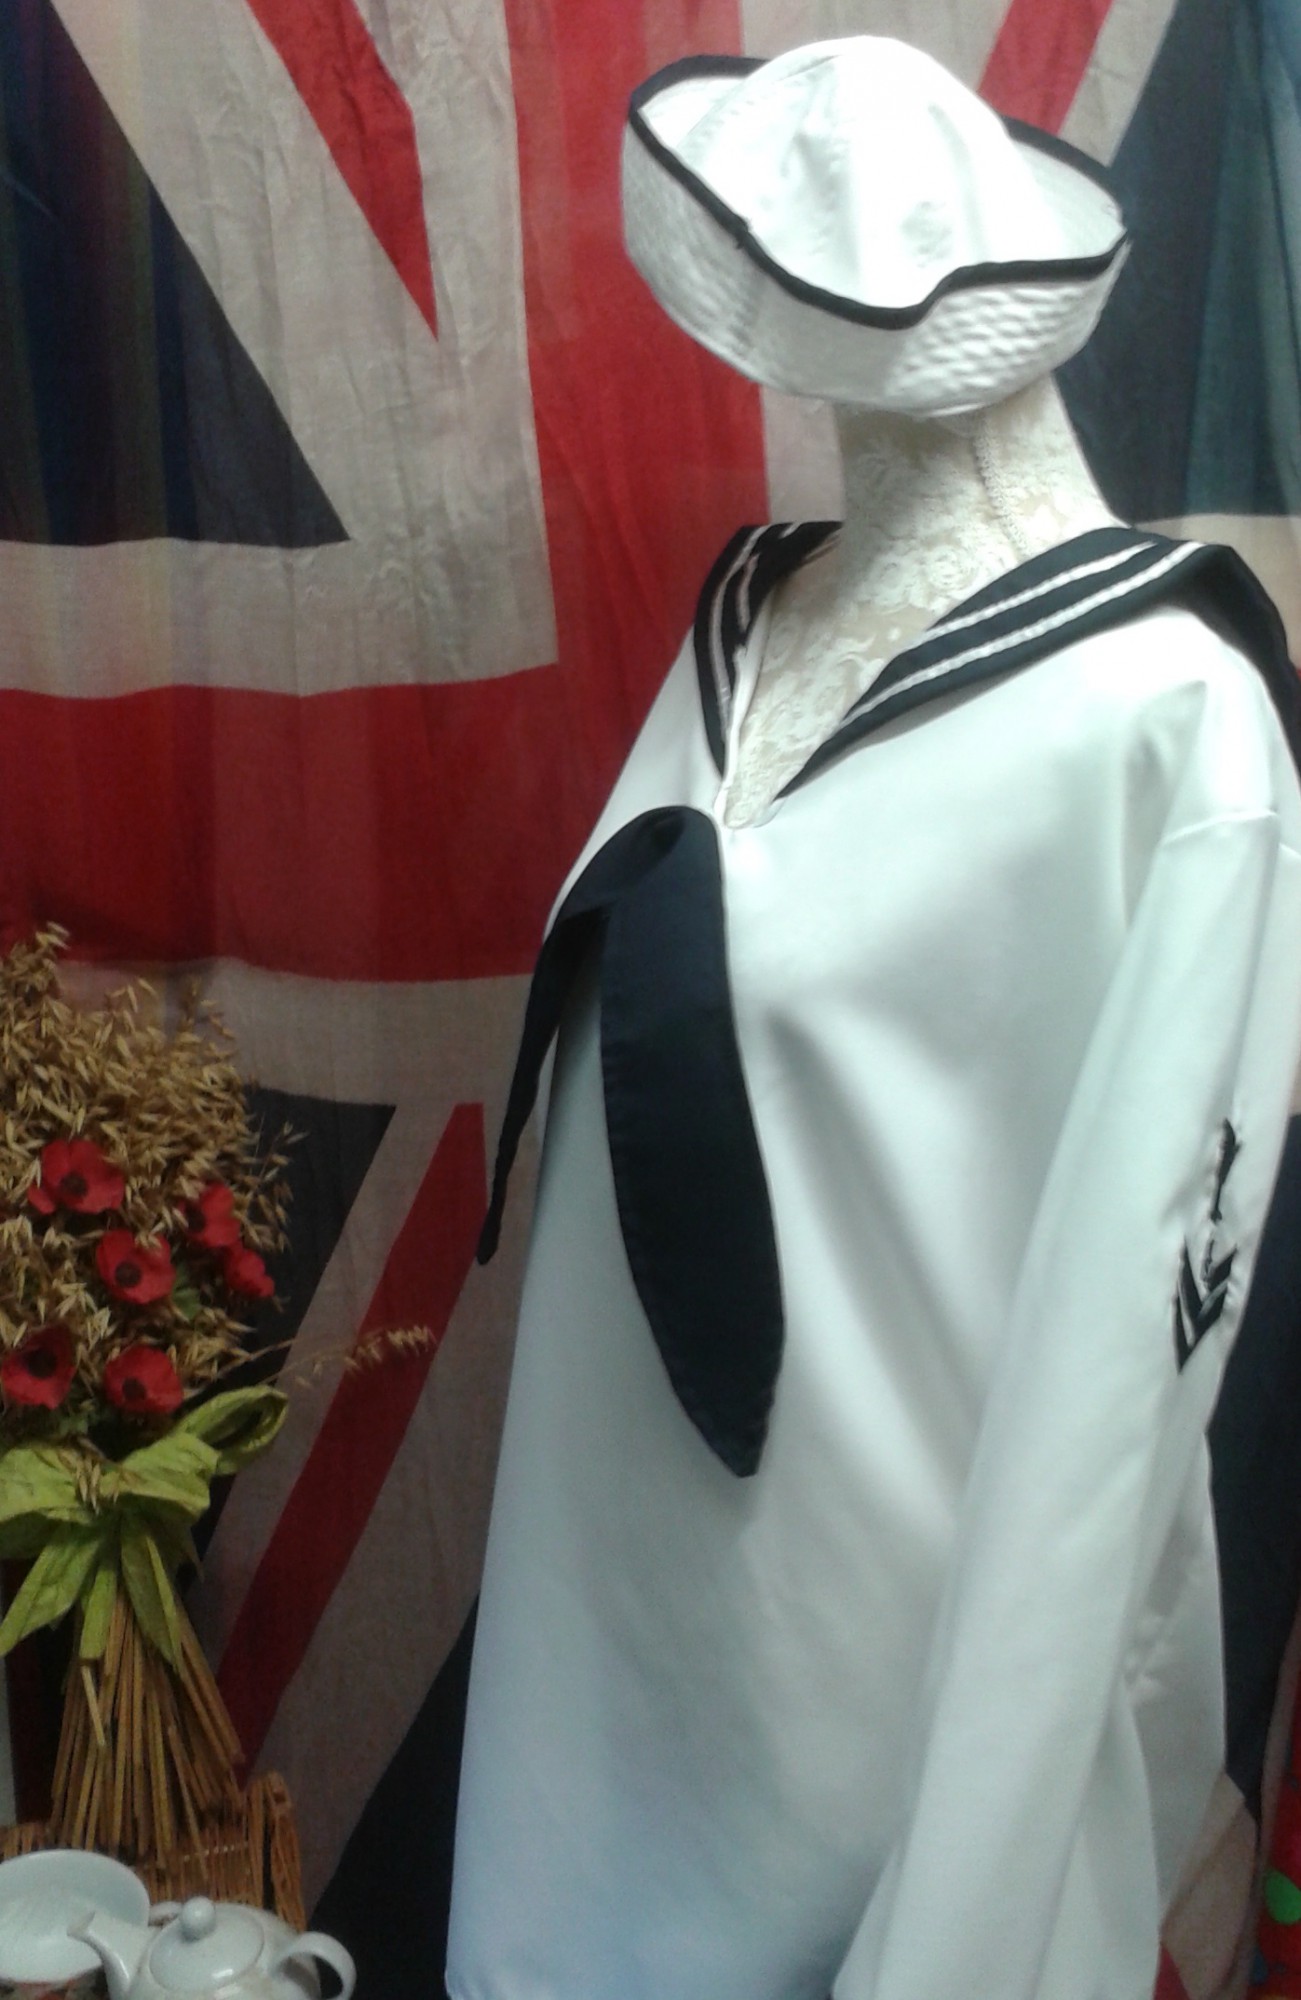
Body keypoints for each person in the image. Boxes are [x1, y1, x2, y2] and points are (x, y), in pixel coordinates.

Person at [449, 39, 1301, 2000]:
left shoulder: (1171, 734)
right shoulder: (753, 622)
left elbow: (1111, 1418)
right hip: (603, 1697)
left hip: (895, 1741)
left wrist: (956, 1933)